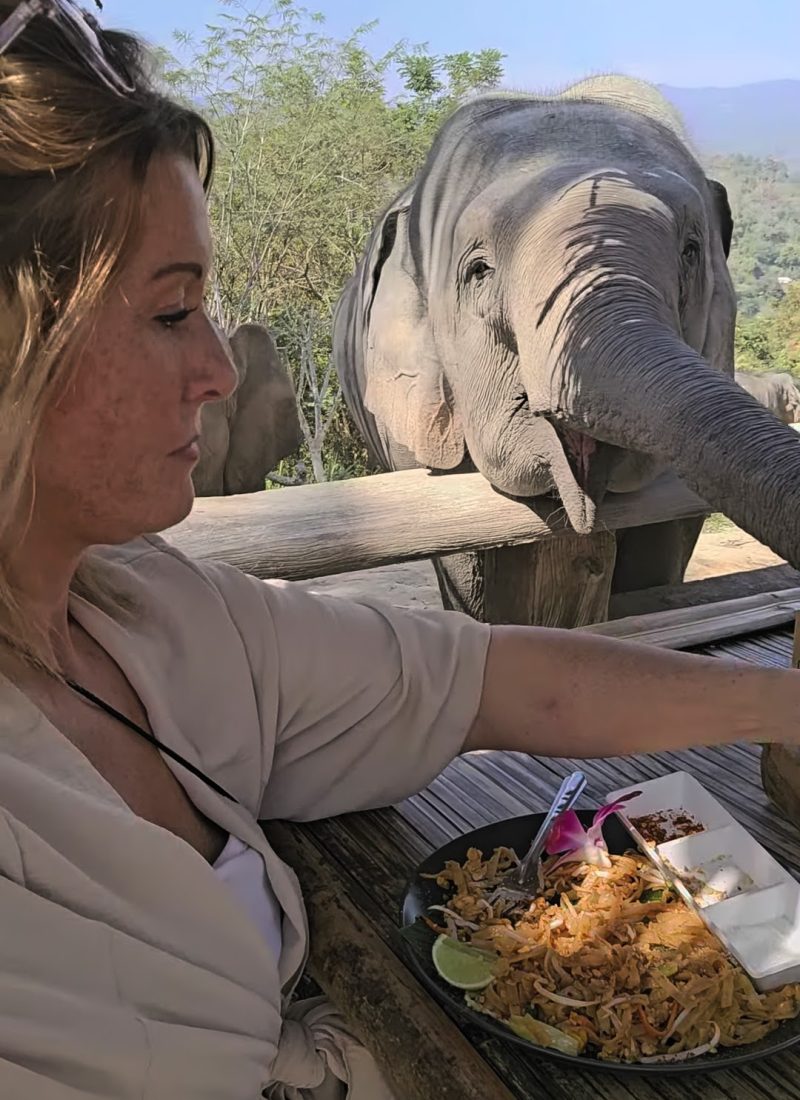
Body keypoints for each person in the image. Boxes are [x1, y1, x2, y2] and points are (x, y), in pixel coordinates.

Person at [1, 3, 800, 1098]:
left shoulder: (143, 614)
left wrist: (784, 705)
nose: (221, 373)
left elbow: (491, 682)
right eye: (172, 309)